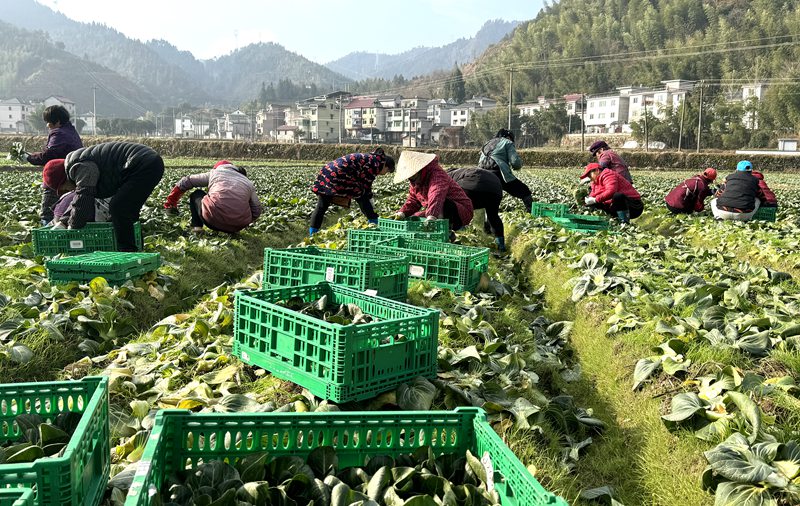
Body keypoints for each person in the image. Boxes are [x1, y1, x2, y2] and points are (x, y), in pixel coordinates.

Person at [41, 142, 165, 251]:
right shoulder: (77, 163)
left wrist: (73, 228)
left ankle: (128, 251)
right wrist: (64, 222)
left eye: (64, 188)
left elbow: (84, 195)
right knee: (126, 210)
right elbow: (86, 198)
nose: (69, 190)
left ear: (63, 180)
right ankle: (134, 248)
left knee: (119, 207)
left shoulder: (78, 167)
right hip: (146, 162)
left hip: (143, 164)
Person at [309, 148, 394, 236]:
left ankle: (312, 234)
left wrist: (369, 197)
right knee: (361, 195)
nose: (384, 173)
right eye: (387, 172)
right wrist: (370, 200)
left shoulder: (373, 159)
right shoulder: (375, 163)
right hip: (339, 174)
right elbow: (366, 185)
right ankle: (374, 221)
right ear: (386, 166)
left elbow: (364, 182)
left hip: (327, 172)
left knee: (322, 205)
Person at [163, 160, 262, 234]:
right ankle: (232, 230)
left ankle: (197, 228)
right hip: (237, 226)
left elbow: (186, 181)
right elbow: (257, 210)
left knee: (196, 194)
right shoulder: (248, 183)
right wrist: (244, 221)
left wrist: (171, 202)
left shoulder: (215, 173)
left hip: (212, 220)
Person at [394, 151, 474, 241]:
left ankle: (446, 232)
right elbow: (413, 199)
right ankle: (444, 233)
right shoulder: (415, 180)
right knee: (415, 217)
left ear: (419, 169)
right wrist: (402, 212)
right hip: (439, 210)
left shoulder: (437, 174)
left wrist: (431, 216)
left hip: (459, 211)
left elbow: (437, 194)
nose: (410, 178)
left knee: (442, 206)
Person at [26, 105, 84, 225]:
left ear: (57, 121)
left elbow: (49, 155)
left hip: (58, 177)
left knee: (48, 212)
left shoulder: (59, 134)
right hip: (71, 177)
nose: (47, 125)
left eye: (48, 122)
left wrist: (29, 158)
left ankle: (49, 236)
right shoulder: (72, 131)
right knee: (64, 209)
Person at [446, 167, 507, 251]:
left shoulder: (446, 176)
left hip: (473, 186)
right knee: (493, 216)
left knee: (459, 209)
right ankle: (501, 245)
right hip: (495, 189)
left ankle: (461, 236)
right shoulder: (463, 171)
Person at [478, 129, 534, 212]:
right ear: (508, 137)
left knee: (489, 197)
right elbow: (515, 162)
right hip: (497, 172)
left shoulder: (488, 143)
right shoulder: (507, 142)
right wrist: (517, 166)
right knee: (524, 191)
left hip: (481, 174)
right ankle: (531, 211)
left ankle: (486, 219)